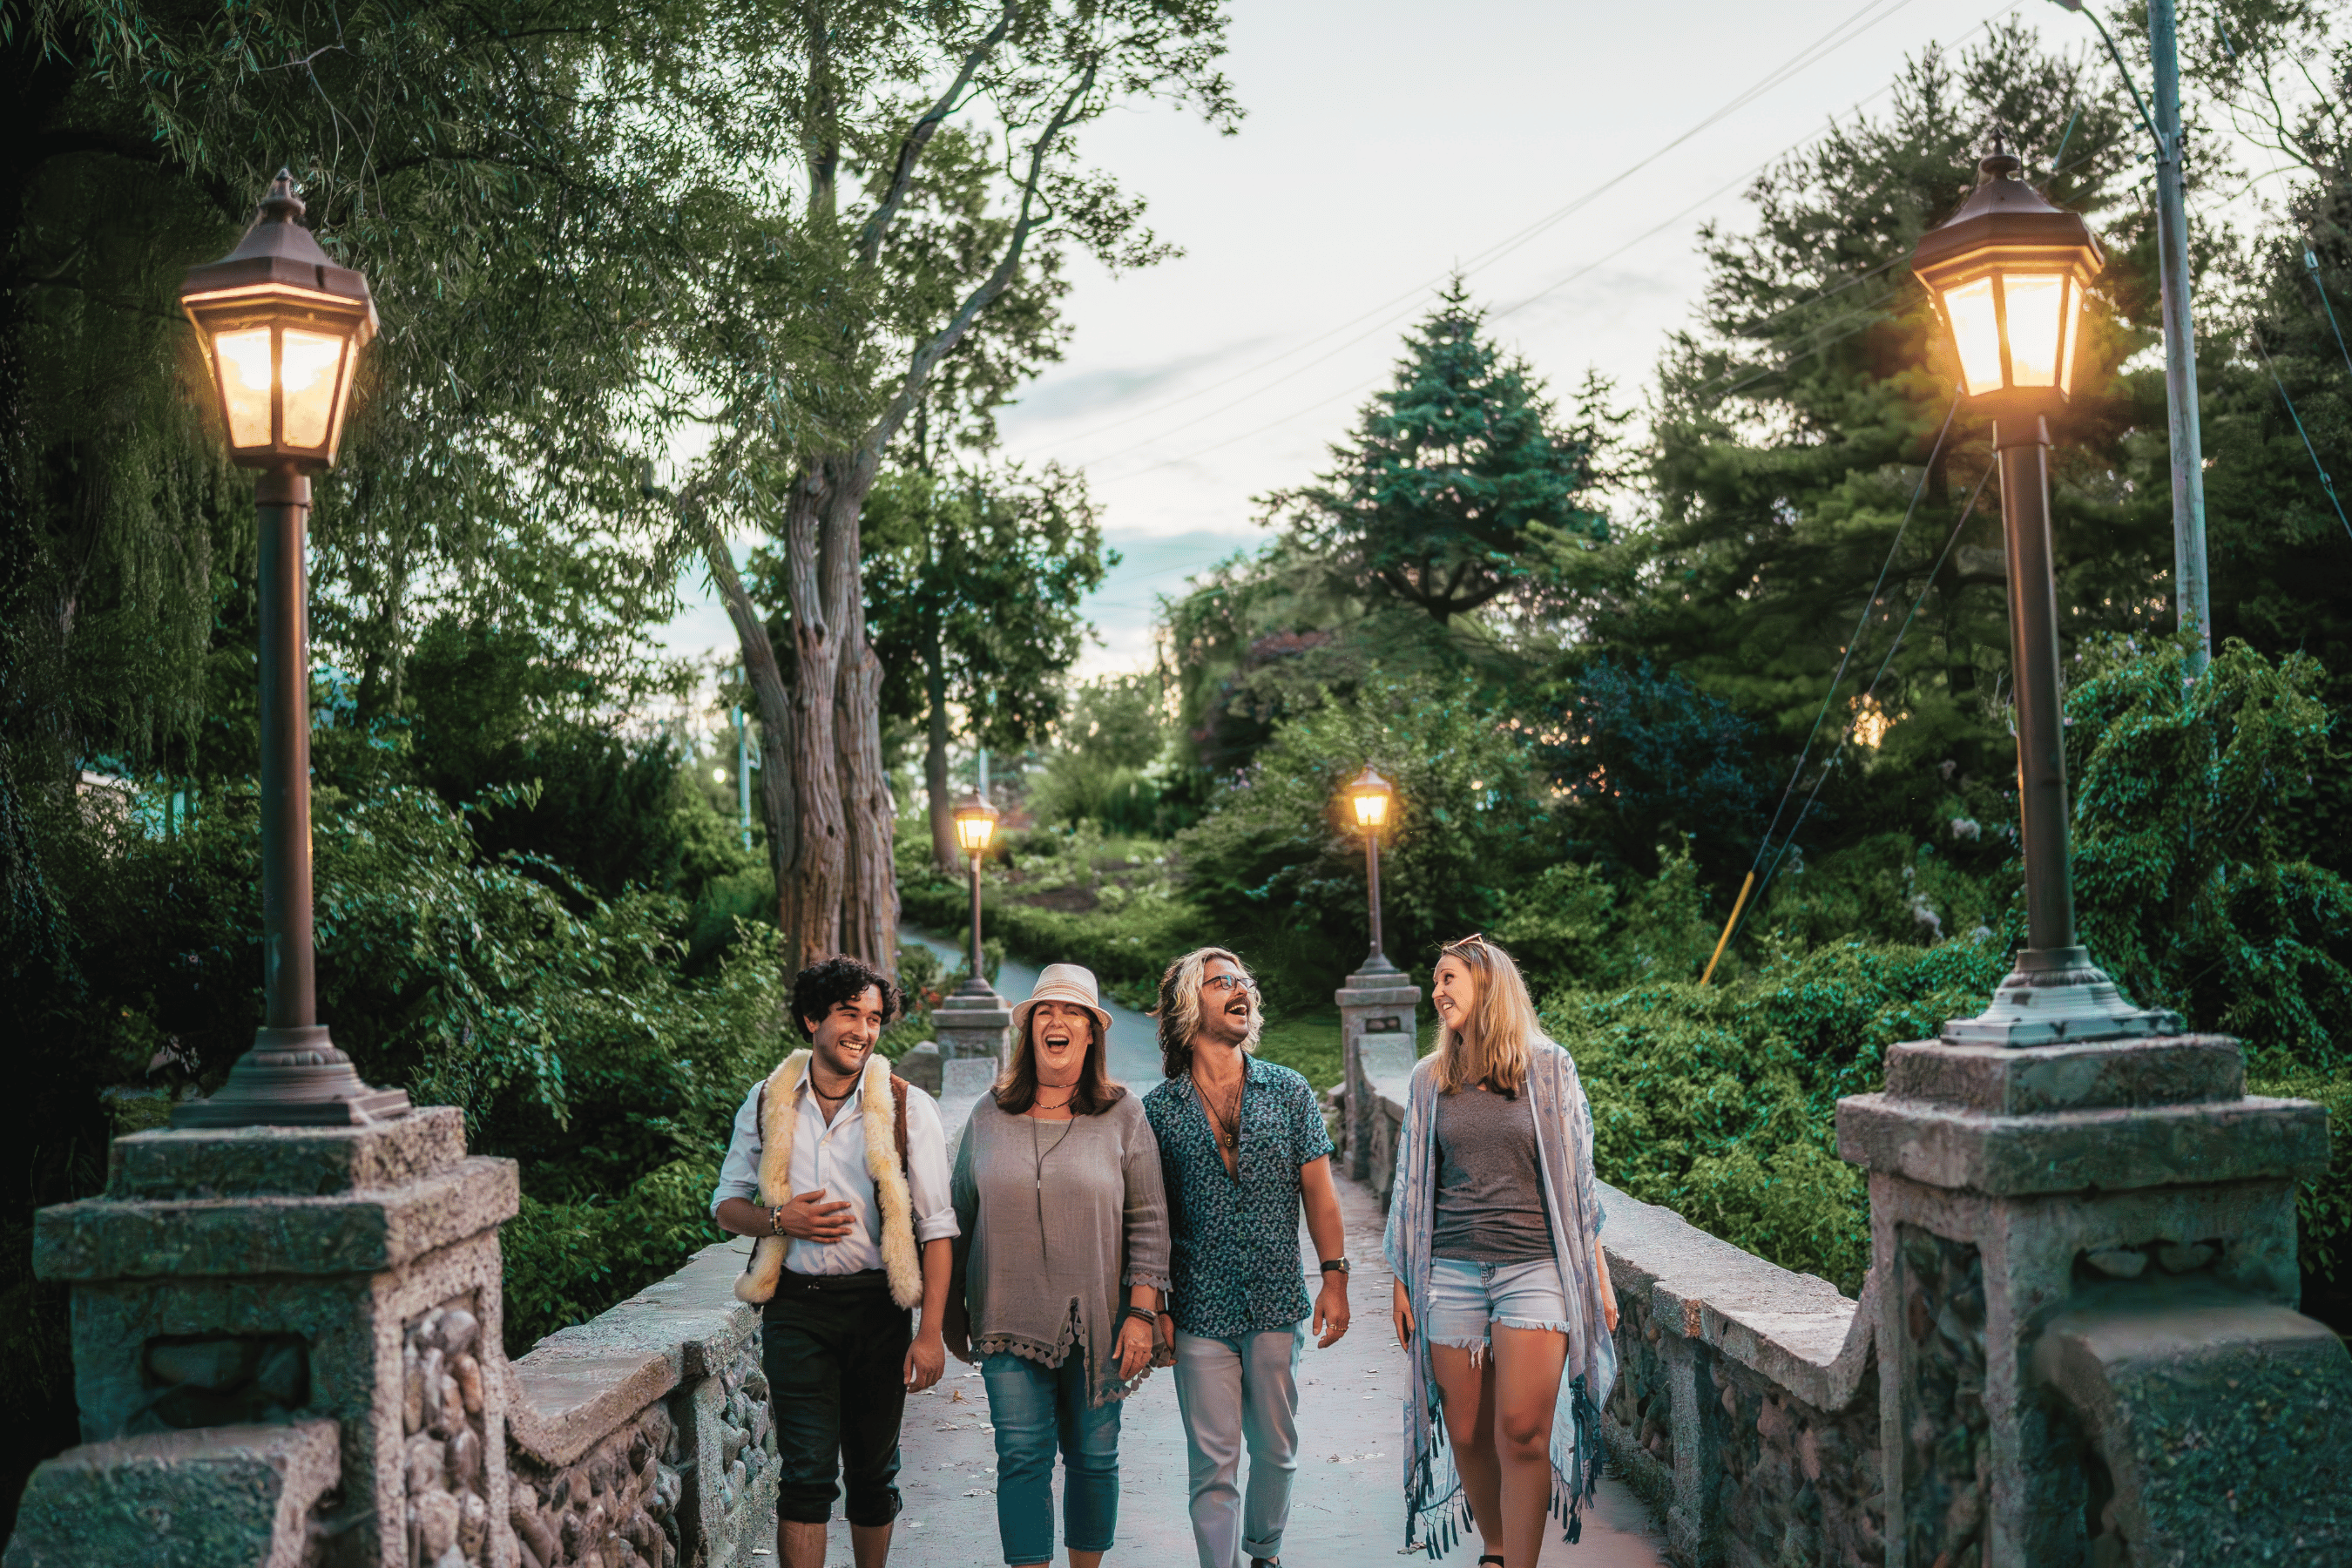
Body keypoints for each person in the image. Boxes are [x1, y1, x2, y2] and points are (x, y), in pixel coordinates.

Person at [709, 956, 956, 1568]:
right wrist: (778, 1221)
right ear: (812, 1018)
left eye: (874, 1018)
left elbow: (939, 1229)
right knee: (807, 1475)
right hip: (797, 1310)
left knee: (874, 1476)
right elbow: (725, 1206)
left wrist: (930, 1336)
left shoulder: (906, 1106)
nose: (864, 1030)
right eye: (850, 1013)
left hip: (878, 1308)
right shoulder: (769, 1101)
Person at [1383, 935, 1619, 1568]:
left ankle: (1517, 1563)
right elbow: (1410, 1185)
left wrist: (1597, 1275)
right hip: (1451, 1270)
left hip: (1535, 1268)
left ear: (1488, 986)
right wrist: (1402, 1280)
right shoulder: (1429, 1080)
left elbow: (1577, 1180)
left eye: (1448, 978)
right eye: (1435, 980)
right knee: (1464, 1430)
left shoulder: (1548, 1067)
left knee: (1522, 1430)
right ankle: (1493, 1545)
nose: (1438, 992)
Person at [945, 963, 1171, 1568]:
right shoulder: (988, 1114)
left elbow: (1149, 1219)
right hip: (1004, 1316)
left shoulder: (1123, 1113)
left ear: (1093, 1032)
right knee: (1022, 1458)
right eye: (1046, 1010)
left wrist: (1143, 1314)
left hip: (1101, 1322)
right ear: (1030, 1030)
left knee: (1095, 1460)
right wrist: (943, 1316)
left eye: (1072, 1012)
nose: (1057, 1021)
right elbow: (956, 1218)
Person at [1143, 948, 1350, 1568]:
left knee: (1277, 1450)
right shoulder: (1157, 1111)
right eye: (1221, 981)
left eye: (1244, 981)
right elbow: (1149, 1220)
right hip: (1199, 1309)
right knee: (1213, 1464)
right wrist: (1153, 1306)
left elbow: (1321, 1194)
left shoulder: (1288, 1091)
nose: (1241, 989)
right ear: (1188, 1005)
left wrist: (1334, 1279)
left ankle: (1265, 1552)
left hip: (1276, 1302)